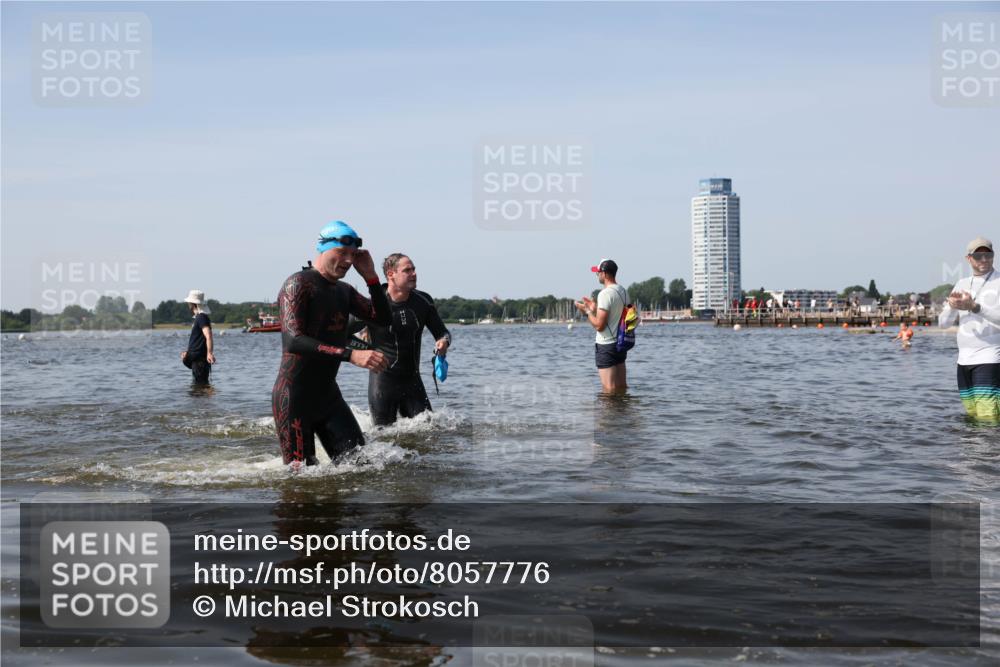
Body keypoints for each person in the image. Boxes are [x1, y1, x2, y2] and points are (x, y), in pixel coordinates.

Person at [271, 221, 392, 469]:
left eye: (352, 255)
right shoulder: (298, 284)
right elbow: (293, 341)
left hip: (328, 397)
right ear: (323, 247)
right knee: (303, 479)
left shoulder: (344, 291)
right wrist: (351, 355)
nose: (348, 260)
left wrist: (371, 278)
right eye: (342, 253)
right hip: (295, 399)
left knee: (361, 467)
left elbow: (383, 318)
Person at [351, 253, 451, 426]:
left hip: (413, 382)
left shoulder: (423, 301)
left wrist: (443, 343)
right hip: (382, 384)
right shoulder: (372, 305)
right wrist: (362, 350)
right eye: (407, 270)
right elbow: (339, 334)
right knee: (382, 439)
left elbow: (443, 332)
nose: (414, 273)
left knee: (430, 432)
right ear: (391, 274)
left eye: (414, 269)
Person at [938, 237, 1000, 422]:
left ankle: (989, 452)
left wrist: (975, 307)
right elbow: (943, 324)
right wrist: (951, 305)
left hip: (990, 358)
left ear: (993, 256)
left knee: (988, 417)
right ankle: (974, 451)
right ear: (969, 258)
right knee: (972, 416)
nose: (983, 260)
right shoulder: (962, 284)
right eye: (978, 255)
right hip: (963, 361)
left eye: (988, 255)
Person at [575, 258, 628, 394]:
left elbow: (599, 326)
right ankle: (623, 414)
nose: (597, 275)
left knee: (608, 390)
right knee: (621, 387)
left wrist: (586, 312)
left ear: (604, 274)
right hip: (621, 344)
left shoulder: (604, 294)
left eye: (598, 272)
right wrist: (594, 308)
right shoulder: (623, 291)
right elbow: (614, 315)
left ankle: (608, 416)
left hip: (606, 346)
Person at [180, 290, 215, 384]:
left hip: (200, 360)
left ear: (193, 304)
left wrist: (210, 353)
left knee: (200, 386)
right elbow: (198, 340)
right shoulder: (200, 317)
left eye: (189, 303)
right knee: (199, 388)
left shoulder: (201, 317)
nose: (188, 304)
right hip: (197, 359)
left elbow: (208, 335)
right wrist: (187, 353)